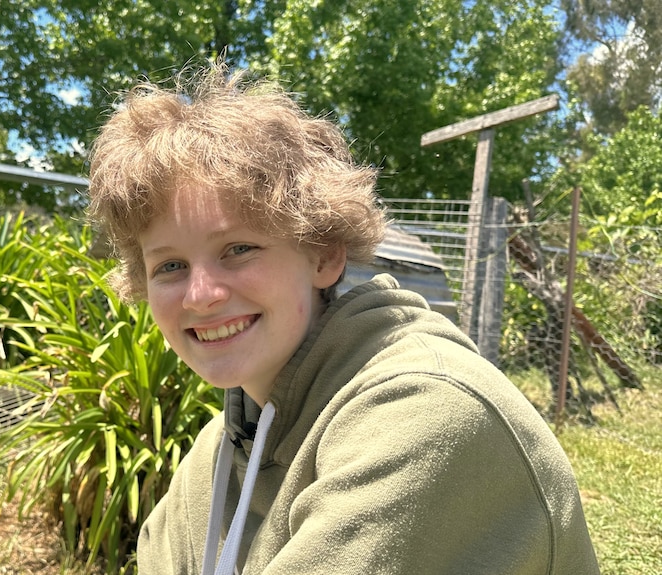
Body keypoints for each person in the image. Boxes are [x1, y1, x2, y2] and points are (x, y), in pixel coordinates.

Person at [87, 62, 600, 575]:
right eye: (170, 265)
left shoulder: (427, 415)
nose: (200, 296)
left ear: (323, 256)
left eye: (239, 248)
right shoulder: (223, 444)